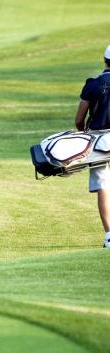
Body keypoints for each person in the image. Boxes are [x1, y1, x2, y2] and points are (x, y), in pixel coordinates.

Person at [74, 45, 110, 248]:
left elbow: (79, 119)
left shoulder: (93, 85)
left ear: (105, 60)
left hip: (98, 142)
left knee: (104, 186)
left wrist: (82, 136)